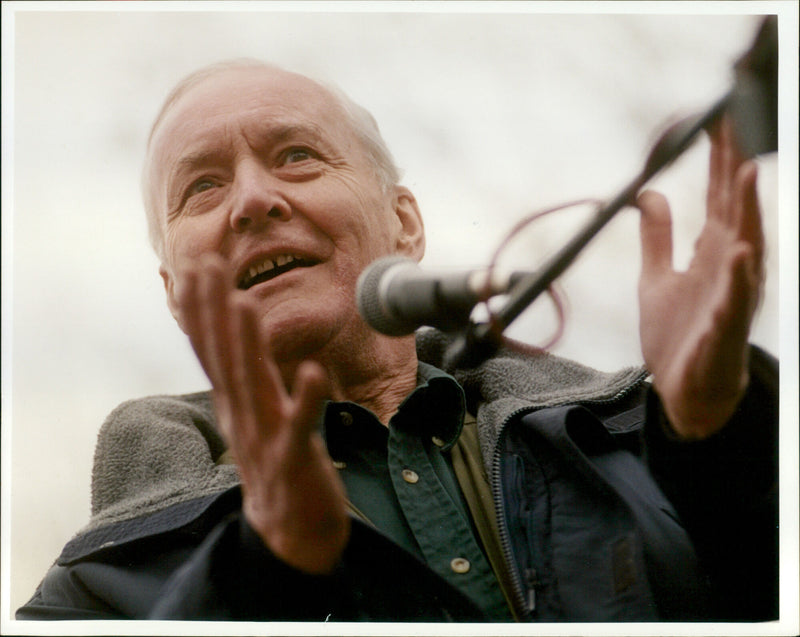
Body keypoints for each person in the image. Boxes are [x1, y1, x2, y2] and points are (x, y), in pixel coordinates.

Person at [17, 60, 777, 622]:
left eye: (296, 155)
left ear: (404, 224)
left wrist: (722, 434)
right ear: (176, 292)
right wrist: (256, 574)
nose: (252, 200)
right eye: (203, 187)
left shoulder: (636, 438)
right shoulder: (99, 584)